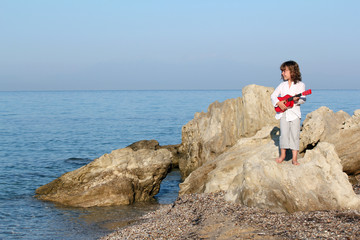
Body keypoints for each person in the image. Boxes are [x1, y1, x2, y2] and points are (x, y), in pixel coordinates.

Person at [271, 60, 306, 165]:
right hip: (284, 113)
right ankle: (283, 155)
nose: (282, 73)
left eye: (284, 71)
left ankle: (294, 158)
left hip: (295, 113)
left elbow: (303, 99)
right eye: (282, 71)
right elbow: (273, 95)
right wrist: (279, 103)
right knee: (284, 134)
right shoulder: (282, 85)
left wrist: (296, 99)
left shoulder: (300, 85)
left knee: (295, 134)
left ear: (292, 71)